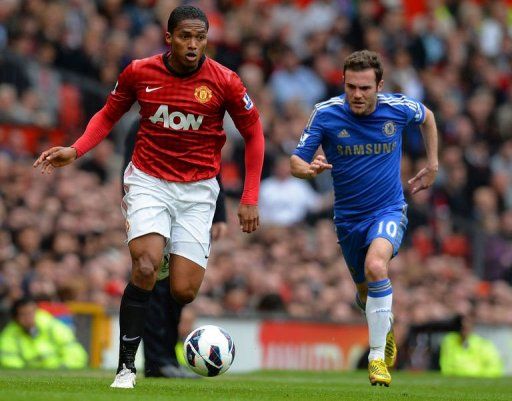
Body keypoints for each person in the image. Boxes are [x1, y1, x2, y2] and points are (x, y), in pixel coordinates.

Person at [34, 5, 264, 388]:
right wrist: (76, 150)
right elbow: (108, 114)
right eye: (186, 37)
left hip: (198, 190)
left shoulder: (226, 81)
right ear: (169, 37)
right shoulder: (139, 72)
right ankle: (126, 367)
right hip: (148, 180)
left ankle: (160, 256)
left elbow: (255, 134)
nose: (193, 45)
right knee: (143, 267)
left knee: (184, 291)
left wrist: (250, 197)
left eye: (200, 37)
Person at [290, 50, 438, 386]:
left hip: (388, 210)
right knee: (364, 292)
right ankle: (383, 329)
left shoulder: (397, 108)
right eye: (351, 87)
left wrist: (433, 165)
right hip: (348, 220)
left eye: (365, 88)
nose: (357, 94)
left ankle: (375, 359)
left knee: (376, 267)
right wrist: (308, 169)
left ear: (379, 86)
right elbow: (295, 161)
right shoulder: (325, 114)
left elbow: (428, 116)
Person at [122, 120, 228, 378]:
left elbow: (211, 164)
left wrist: (219, 213)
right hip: (155, 209)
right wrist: (130, 210)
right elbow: (130, 171)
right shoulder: (143, 124)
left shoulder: (199, 120)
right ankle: (156, 361)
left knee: (179, 291)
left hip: (191, 209)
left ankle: (166, 356)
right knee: (155, 286)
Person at [0, 297, 87, 369]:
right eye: (23, 314)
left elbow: (74, 351)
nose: (28, 318)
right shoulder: (8, 336)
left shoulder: (51, 325)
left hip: (59, 372)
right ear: (15, 318)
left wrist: (63, 369)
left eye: (30, 313)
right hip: (30, 379)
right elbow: (9, 361)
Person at [439, 312, 504, 378]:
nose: (463, 330)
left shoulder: (483, 344)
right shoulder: (449, 341)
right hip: (456, 377)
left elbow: (495, 366)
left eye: (466, 327)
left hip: (478, 377)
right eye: (461, 327)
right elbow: (446, 363)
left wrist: (481, 375)